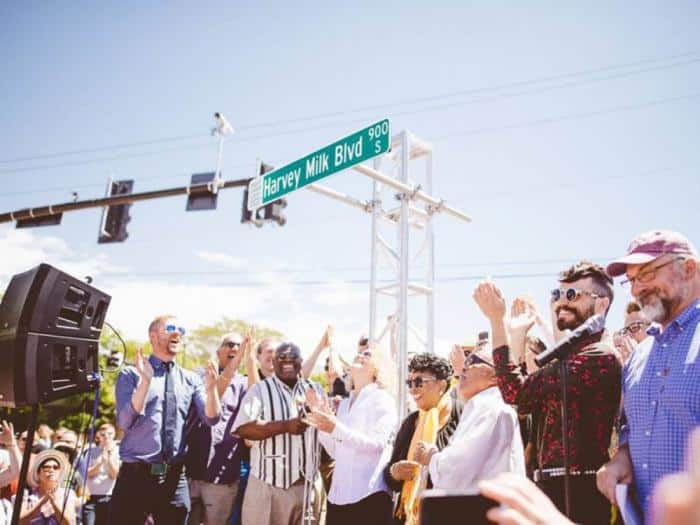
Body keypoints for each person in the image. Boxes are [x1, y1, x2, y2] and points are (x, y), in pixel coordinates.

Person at [474, 262, 621, 525]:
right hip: (553, 486)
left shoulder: (598, 356)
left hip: (579, 492)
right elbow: (523, 400)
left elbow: (515, 392)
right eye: (557, 295)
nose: (561, 303)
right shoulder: (571, 355)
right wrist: (516, 333)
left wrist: (497, 321)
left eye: (572, 295)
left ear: (602, 304)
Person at [598, 230, 700, 519]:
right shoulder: (639, 357)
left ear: (689, 268)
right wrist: (621, 458)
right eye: (631, 280)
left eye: (647, 274)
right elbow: (632, 428)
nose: (635, 289)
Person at [110, 315, 221, 525]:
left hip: (174, 476)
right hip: (136, 476)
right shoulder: (131, 374)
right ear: (153, 336)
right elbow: (125, 422)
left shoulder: (191, 379)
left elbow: (211, 418)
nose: (177, 332)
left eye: (181, 328)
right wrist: (145, 382)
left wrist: (212, 389)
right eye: (170, 327)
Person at [232, 342, 324, 525]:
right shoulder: (259, 389)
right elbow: (243, 428)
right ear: (273, 362)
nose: (287, 361)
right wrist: (285, 426)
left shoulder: (315, 389)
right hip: (269, 486)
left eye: (293, 358)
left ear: (301, 362)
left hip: (308, 485)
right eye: (282, 358)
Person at [304, 345, 397, 525]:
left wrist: (335, 427)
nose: (360, 355)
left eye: (367, 354)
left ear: (378, 369)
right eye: (360, 353)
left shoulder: (382, 399)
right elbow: (336, 452)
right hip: (338, 498)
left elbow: (377, 444)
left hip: (369, 496)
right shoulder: (346, 404)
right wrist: (321, 424)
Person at [412, 347, 525, 494]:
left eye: (473, 361)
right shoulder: (481, 406)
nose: (464, 367)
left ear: (495, 377)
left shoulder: (491, 407)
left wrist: (432, 457)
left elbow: (459, 468)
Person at [383, 353, 459, 525]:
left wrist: (433, 460)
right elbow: (390, 477)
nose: (412, 389)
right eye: (409, 383)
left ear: (441, 385)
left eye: (419, 382)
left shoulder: (460, 418)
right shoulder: (410, 423)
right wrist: (395, 472)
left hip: (448, 515)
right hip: (409, 518)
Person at [185, 331, 249, 525]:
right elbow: (207, 405)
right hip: (190, 473)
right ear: (219, 350)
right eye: (230, 344)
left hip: (223, 476)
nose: (235, 349)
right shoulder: (199, 375)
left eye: (240, 346)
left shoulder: (245, 384)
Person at [17, 448, 77, 525]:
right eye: (46, 467)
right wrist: (42, 501)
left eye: (55, 467)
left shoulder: (67, 494)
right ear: (38, 473)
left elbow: (69, 523)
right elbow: (20, 521)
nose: (51, 470)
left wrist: (54, 503)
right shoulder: (26, 494)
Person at [81, 423, 119, 525]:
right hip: (91, 497)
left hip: (108, 497)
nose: (106, 437)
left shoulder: (118, 452)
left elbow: (114, 475)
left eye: (110, 434)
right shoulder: (91, 451)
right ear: (99, 435)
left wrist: (109, 459)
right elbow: (87, 473)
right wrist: (101, 462)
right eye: (103, 434)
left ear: (114, 434)